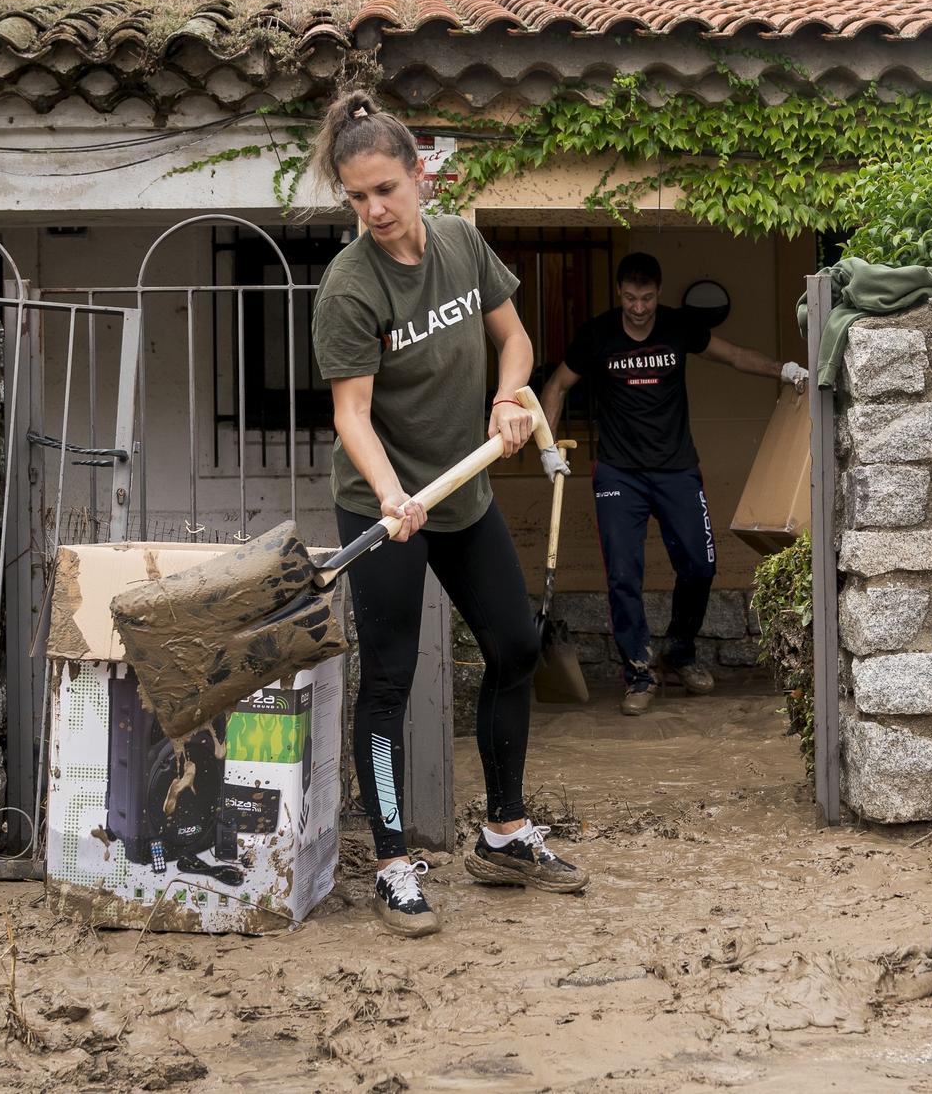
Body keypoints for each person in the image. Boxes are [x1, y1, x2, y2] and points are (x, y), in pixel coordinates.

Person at [311, 89, 586, 938]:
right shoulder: (349, 287)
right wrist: (393, 494)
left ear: (420, 175)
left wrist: (511, 395)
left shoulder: (463, 245)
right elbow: (351, 415)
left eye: (387, 189)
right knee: (389, 679)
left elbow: (515, 339)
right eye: (357, 197)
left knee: (514, 644)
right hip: (387, 502)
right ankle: (393, 862)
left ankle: (503, 832)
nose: (375, 211)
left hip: (463, 495)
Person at [540, 252, 807, 716]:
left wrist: (783, 370)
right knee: (624, 576)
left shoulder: (677, 327)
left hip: (677, 468)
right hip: (619, 473)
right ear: (619, 293)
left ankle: (679, 653)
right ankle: (639, 674)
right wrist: (546, 446)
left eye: (645, 298)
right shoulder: (598, 334)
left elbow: (735, 356)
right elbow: (558, 385)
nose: (638, 307)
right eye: (629, 297)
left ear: (658, 293)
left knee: (701, 566)